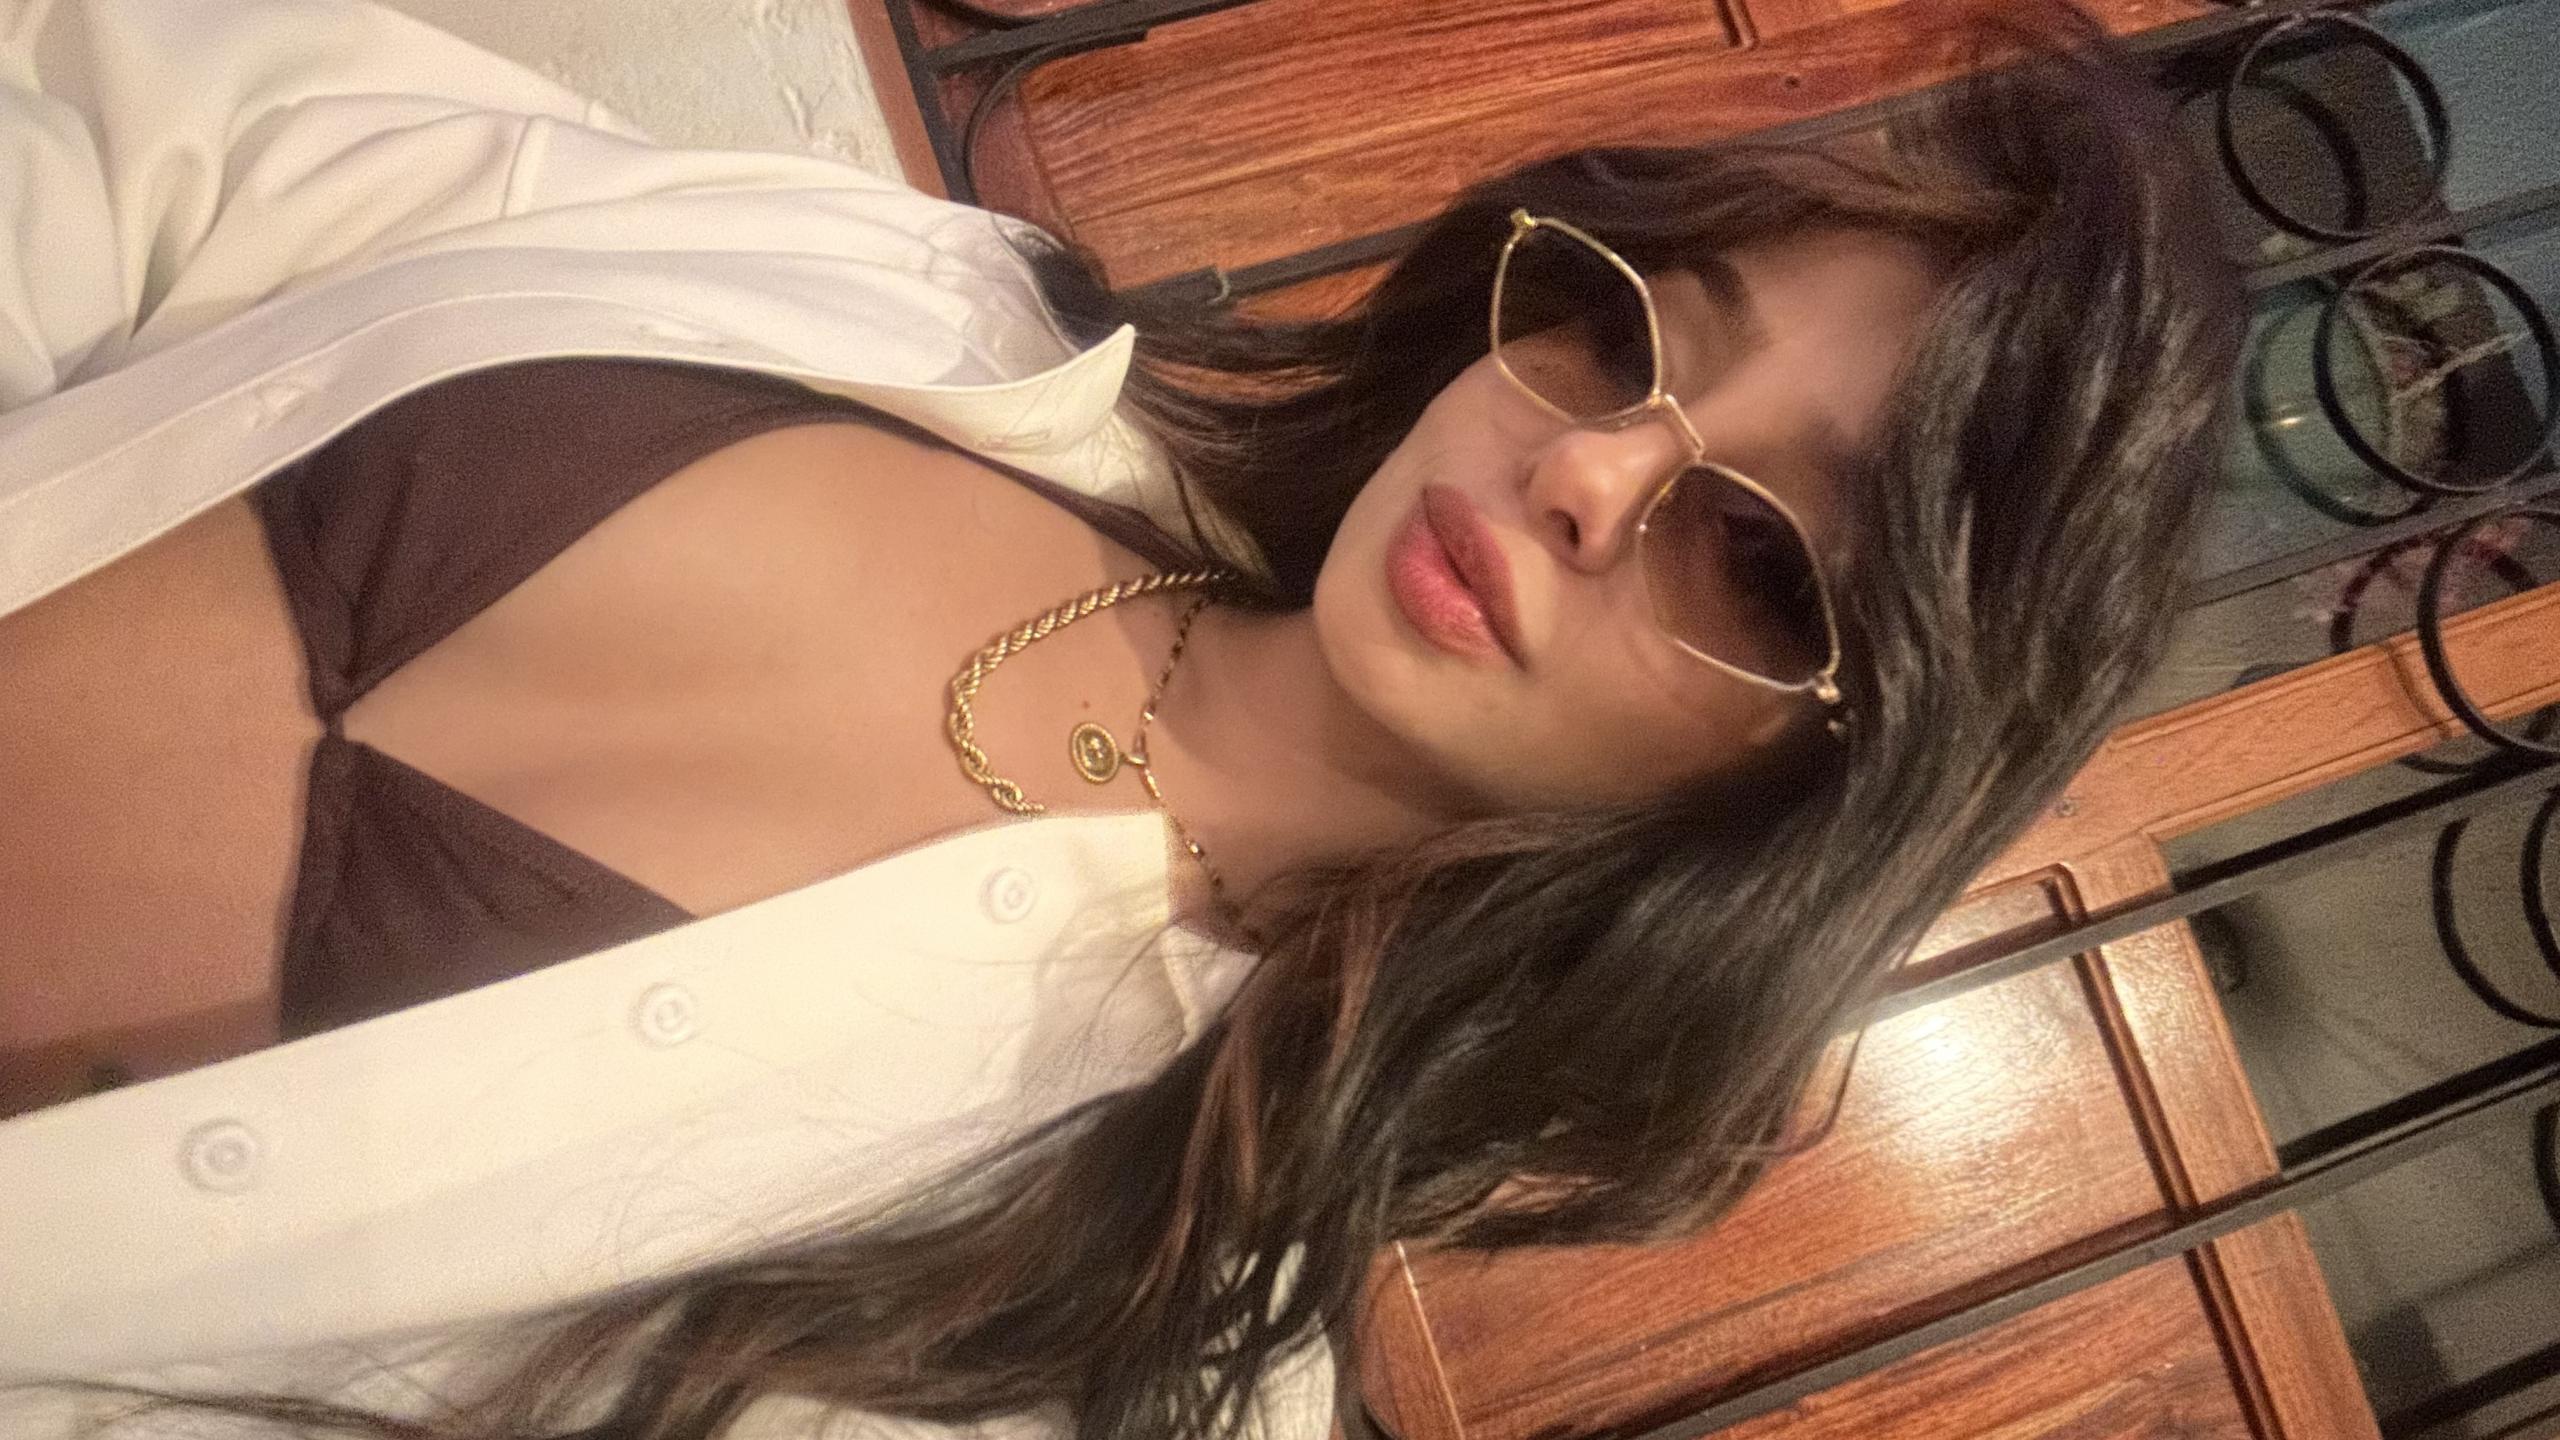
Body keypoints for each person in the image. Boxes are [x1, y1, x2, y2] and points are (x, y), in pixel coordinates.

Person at [0, 0, 2242, 1434]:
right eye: (1625, 330)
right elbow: (139, 123)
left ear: (1807, 795)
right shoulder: (951, 319)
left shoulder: (1105, 1348)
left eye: (1753, 558)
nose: (1584, 467)